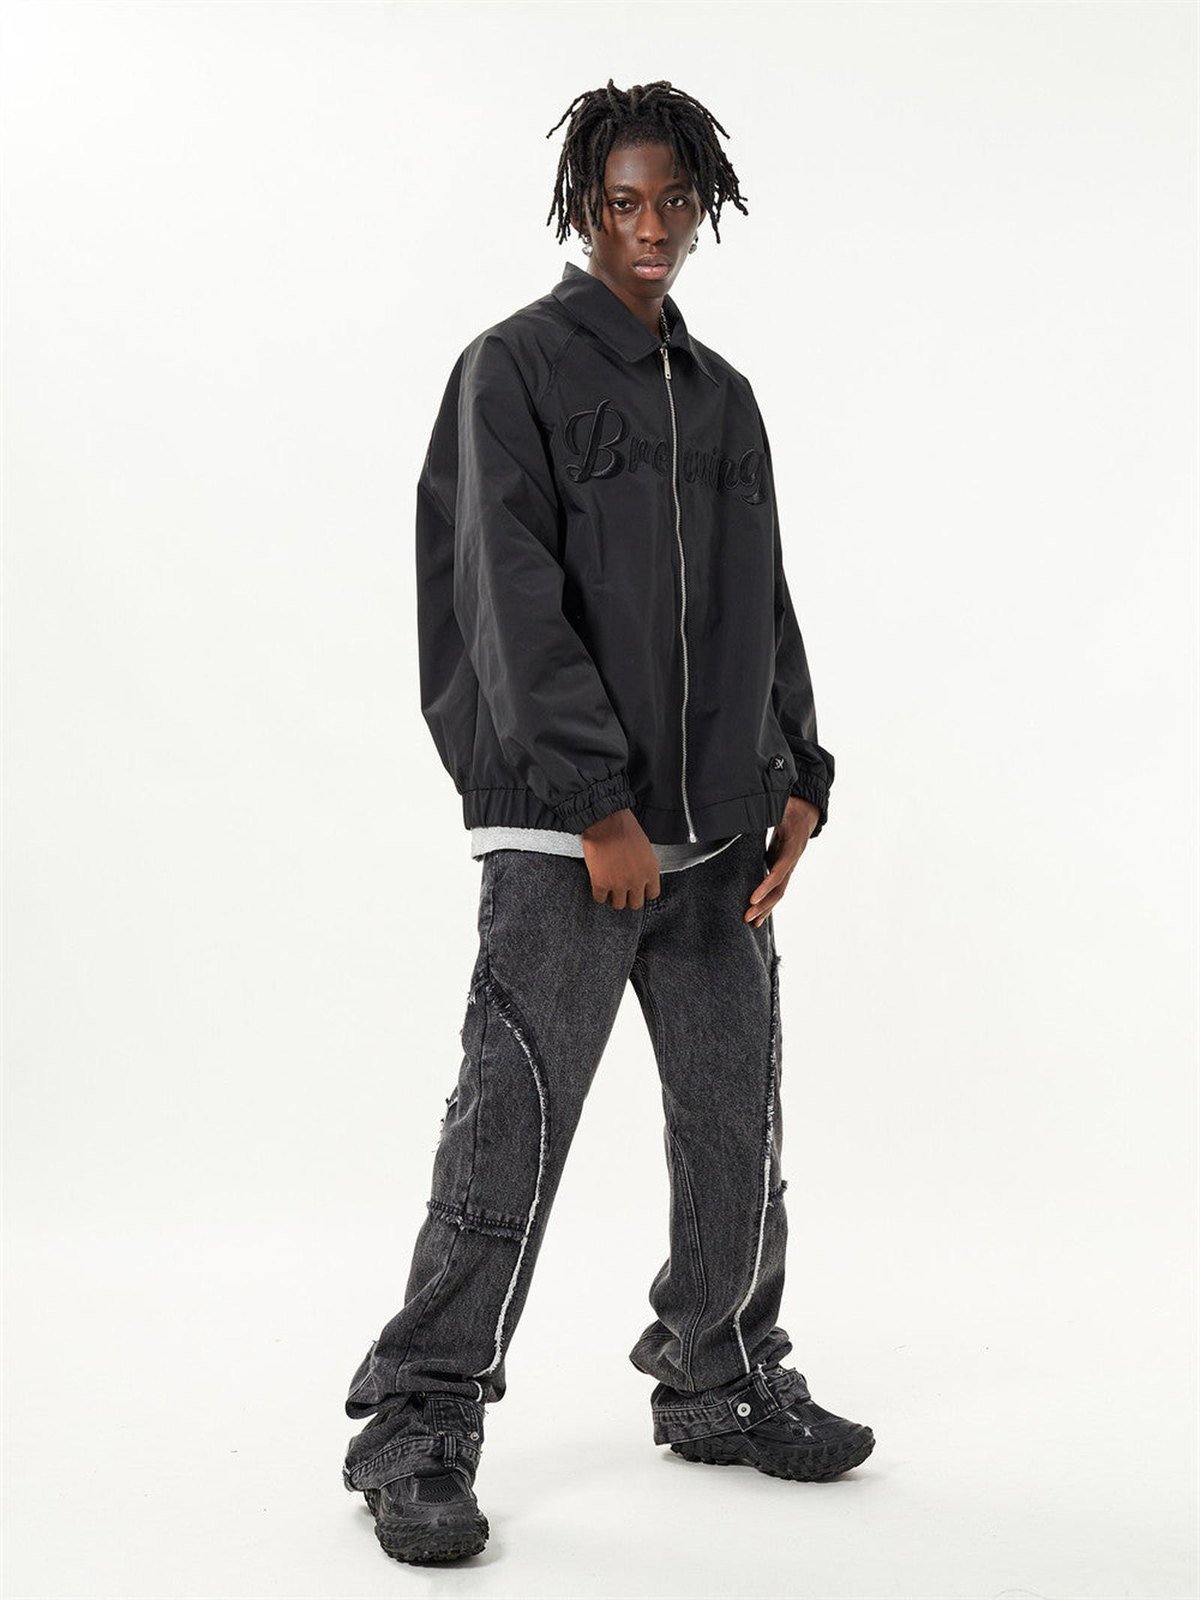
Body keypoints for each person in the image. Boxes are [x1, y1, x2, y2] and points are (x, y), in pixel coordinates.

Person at [340, 78, 875, 1566]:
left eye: (673, 203)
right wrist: (594, 805)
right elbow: (505, 599)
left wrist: (800, 772)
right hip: (575, 843)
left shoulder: (724, 398)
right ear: (583, 207)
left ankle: (719, 1376)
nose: (650, 228)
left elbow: (764, 599)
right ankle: (418, 1424)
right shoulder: (510, 370)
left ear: (704, 208)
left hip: (718, 836)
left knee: (735, 1122)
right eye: (624, 203)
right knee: (508, 1134)